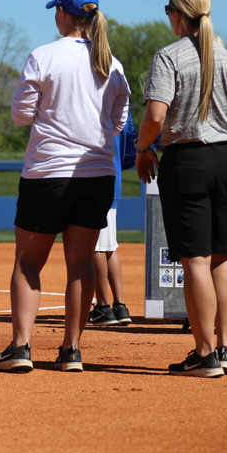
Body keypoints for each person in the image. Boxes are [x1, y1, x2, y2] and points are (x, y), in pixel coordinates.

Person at [0, 0, 129, 373]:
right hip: (97, 174)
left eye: (57, 11)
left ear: (63, 14)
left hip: (47, 173)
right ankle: (71, 351)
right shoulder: (111, 64)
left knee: (28, 263)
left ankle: (20, 347)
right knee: (80, 262)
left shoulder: (44, 55)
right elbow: (119, 123)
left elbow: (20, 115)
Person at [135, 0, 227, 377]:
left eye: (168, 10)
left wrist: (142, 147)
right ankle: (226, 348)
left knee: (194, 258)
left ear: (179, 14)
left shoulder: (169, 56)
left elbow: (155, 117)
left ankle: (204, 353)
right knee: (221, 256)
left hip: (188, 160)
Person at [87, 115, 138, 326]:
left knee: (96, 247)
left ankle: (103, 307)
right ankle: (120, 306)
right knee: (109, 246)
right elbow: (131, 148)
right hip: (113, 179)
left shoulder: (91, 100)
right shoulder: (123, 105)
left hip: (92, 179)